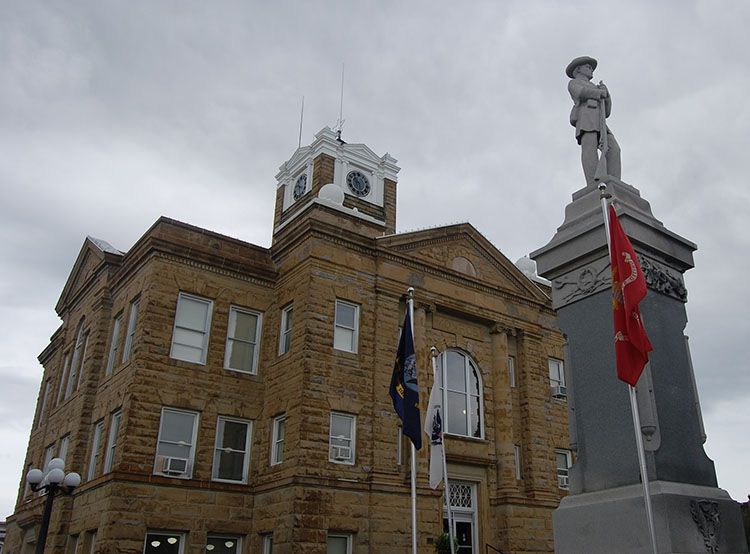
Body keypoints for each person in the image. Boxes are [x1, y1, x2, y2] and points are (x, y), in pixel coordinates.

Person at [567, 56, 621, 185]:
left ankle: (614, 182)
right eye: (588, 67)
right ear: (578, 69)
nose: (591, 70)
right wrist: (598, 93)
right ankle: (592, 182)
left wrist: (607, 95)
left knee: (614, 149)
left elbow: (607, 112)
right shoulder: (575, 82)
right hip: (586, 118)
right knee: (589, 149)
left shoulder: (596, 87)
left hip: (601, 120)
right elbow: (580, 93)